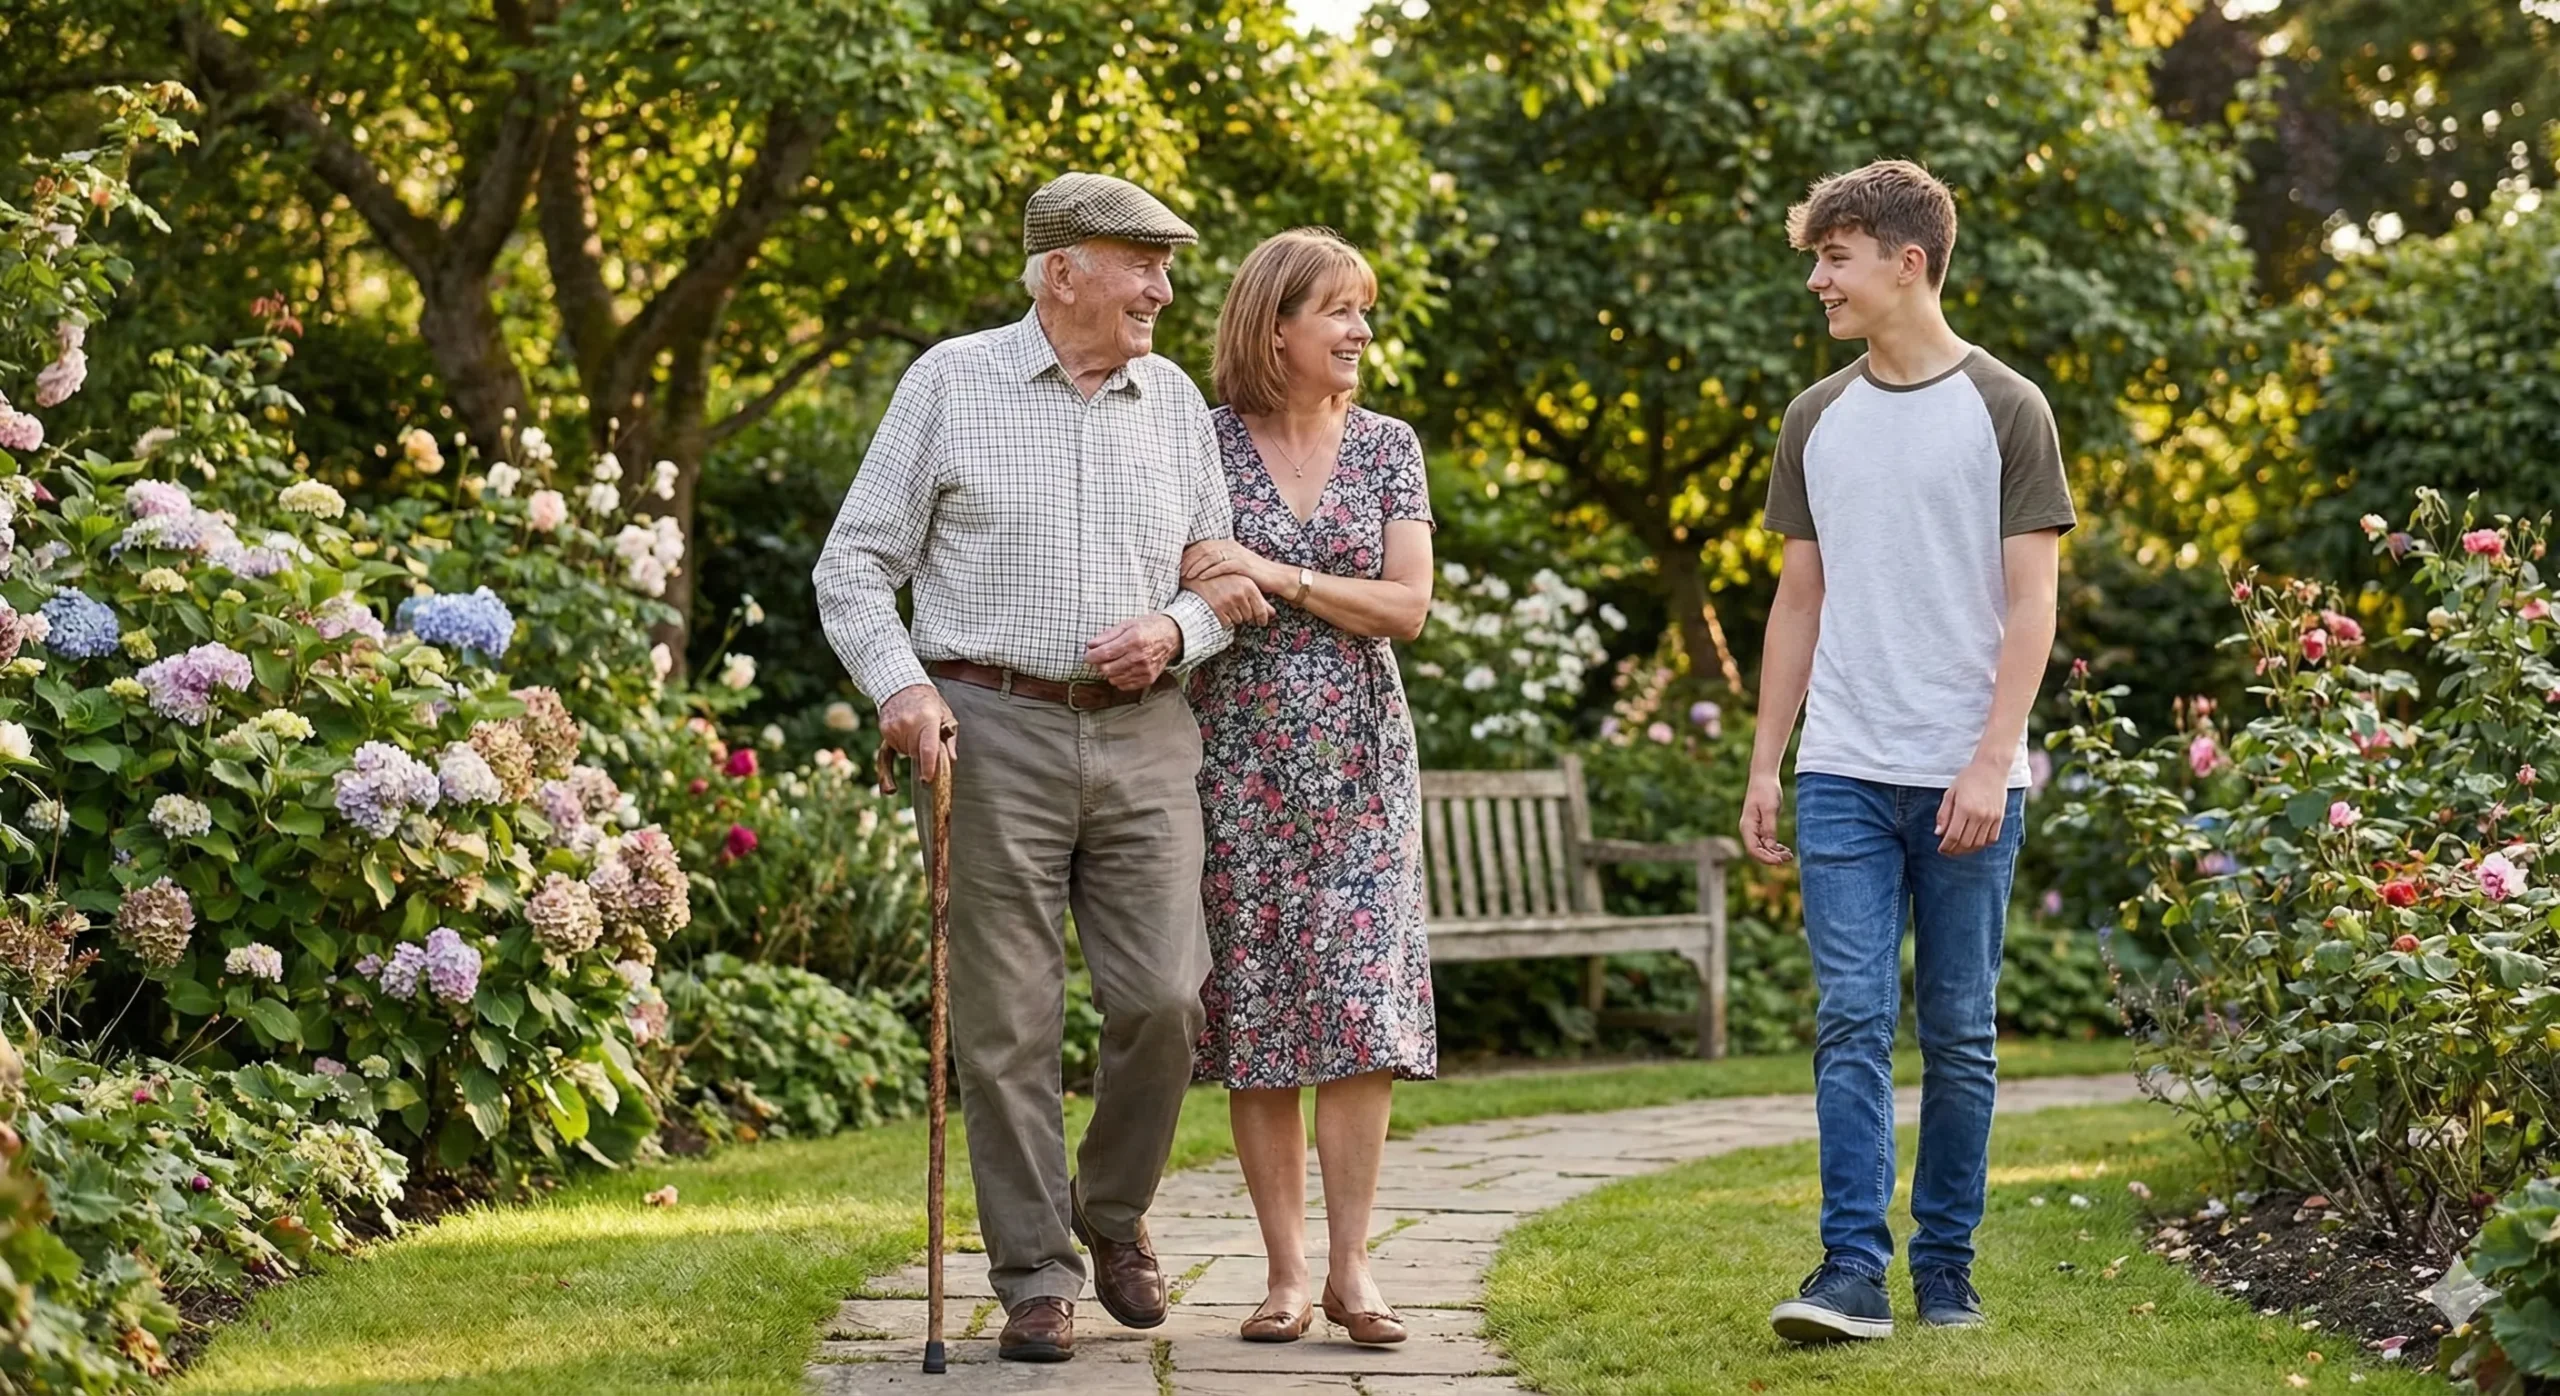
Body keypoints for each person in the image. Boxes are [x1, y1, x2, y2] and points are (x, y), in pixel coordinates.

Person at [812, 172, 1272, 1365]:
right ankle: (1033, 1273)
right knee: (1006, 1022)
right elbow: (853, 563)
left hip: (1145, 731)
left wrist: (1177, 629)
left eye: (1168, 268)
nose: (1165, 290)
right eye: (1143, 264)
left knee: (1168, 996)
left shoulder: (1170, 401)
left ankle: (1110, 1215)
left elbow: (1223, 574)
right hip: (988, 723)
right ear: (1062, 269)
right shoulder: (949, 383)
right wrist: (903, 688)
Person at [1738, 160, 2075, 1343]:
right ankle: (1847, 1271)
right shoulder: (1814, 417)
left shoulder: (2006, 407)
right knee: (1848, 1019)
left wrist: (1992, 760)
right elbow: (1796, 602)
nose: (1818, 280)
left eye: (1833, 257)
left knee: (1961, 1032)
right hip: (1840, 767)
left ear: (1905, 262)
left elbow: (2030, 603)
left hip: (1963, 772)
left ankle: (1946, 1269)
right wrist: (1765, 759)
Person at [1179, 228, 1437, 1347]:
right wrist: (1218, 567)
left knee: (1359, 1013)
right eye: (1338, 310)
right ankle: (1284, 1275)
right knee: (1257, 1013)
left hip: (1361, 762)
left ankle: (1351, 1268)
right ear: (1272, 323)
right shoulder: (1202, 443)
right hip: (1233, 756)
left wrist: (1276, 573)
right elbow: (1183, 562)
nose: (1359, 331)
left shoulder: (1387, 446)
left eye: (1363, 311)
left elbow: (1407, 607)